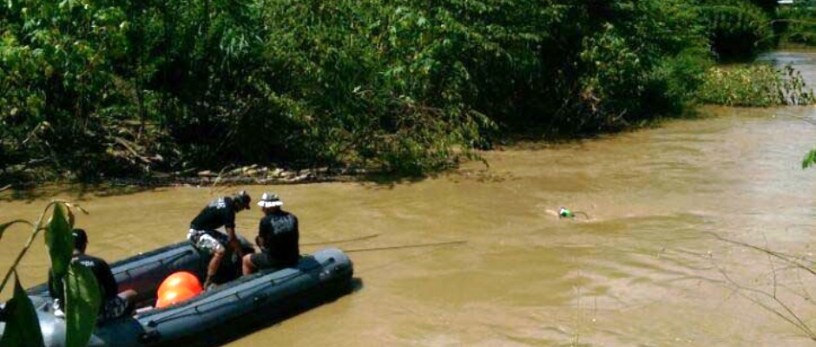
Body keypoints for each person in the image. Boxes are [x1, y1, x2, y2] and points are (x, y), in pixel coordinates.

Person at [48, 228, 137, 321]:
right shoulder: (98, 263)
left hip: (68, 315)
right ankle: (123, 324)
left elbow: (54, 294)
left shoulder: (56, 267)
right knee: (131, 294)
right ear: (85, 244)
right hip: (96, 315)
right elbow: (112, 292)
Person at [188, 191, 251, 288]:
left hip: (203, 229)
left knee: (226, 243)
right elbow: (231, 237)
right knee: (220, 251)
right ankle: (208, 281)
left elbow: (205, 210)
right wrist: (241, 253)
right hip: (197, 233)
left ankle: (222, 270)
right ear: (238, 203)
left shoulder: (224, 200)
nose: (241, 209)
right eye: (243, 207)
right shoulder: (229, 211)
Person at [242, 192, 300, 275]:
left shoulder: (265, 221)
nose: (262, 209)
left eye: (264, 207)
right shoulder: (292, 217)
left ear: (271, 207)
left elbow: (262, 243)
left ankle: (247, 283)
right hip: (293, 257)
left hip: (275, 260)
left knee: (246, 259)